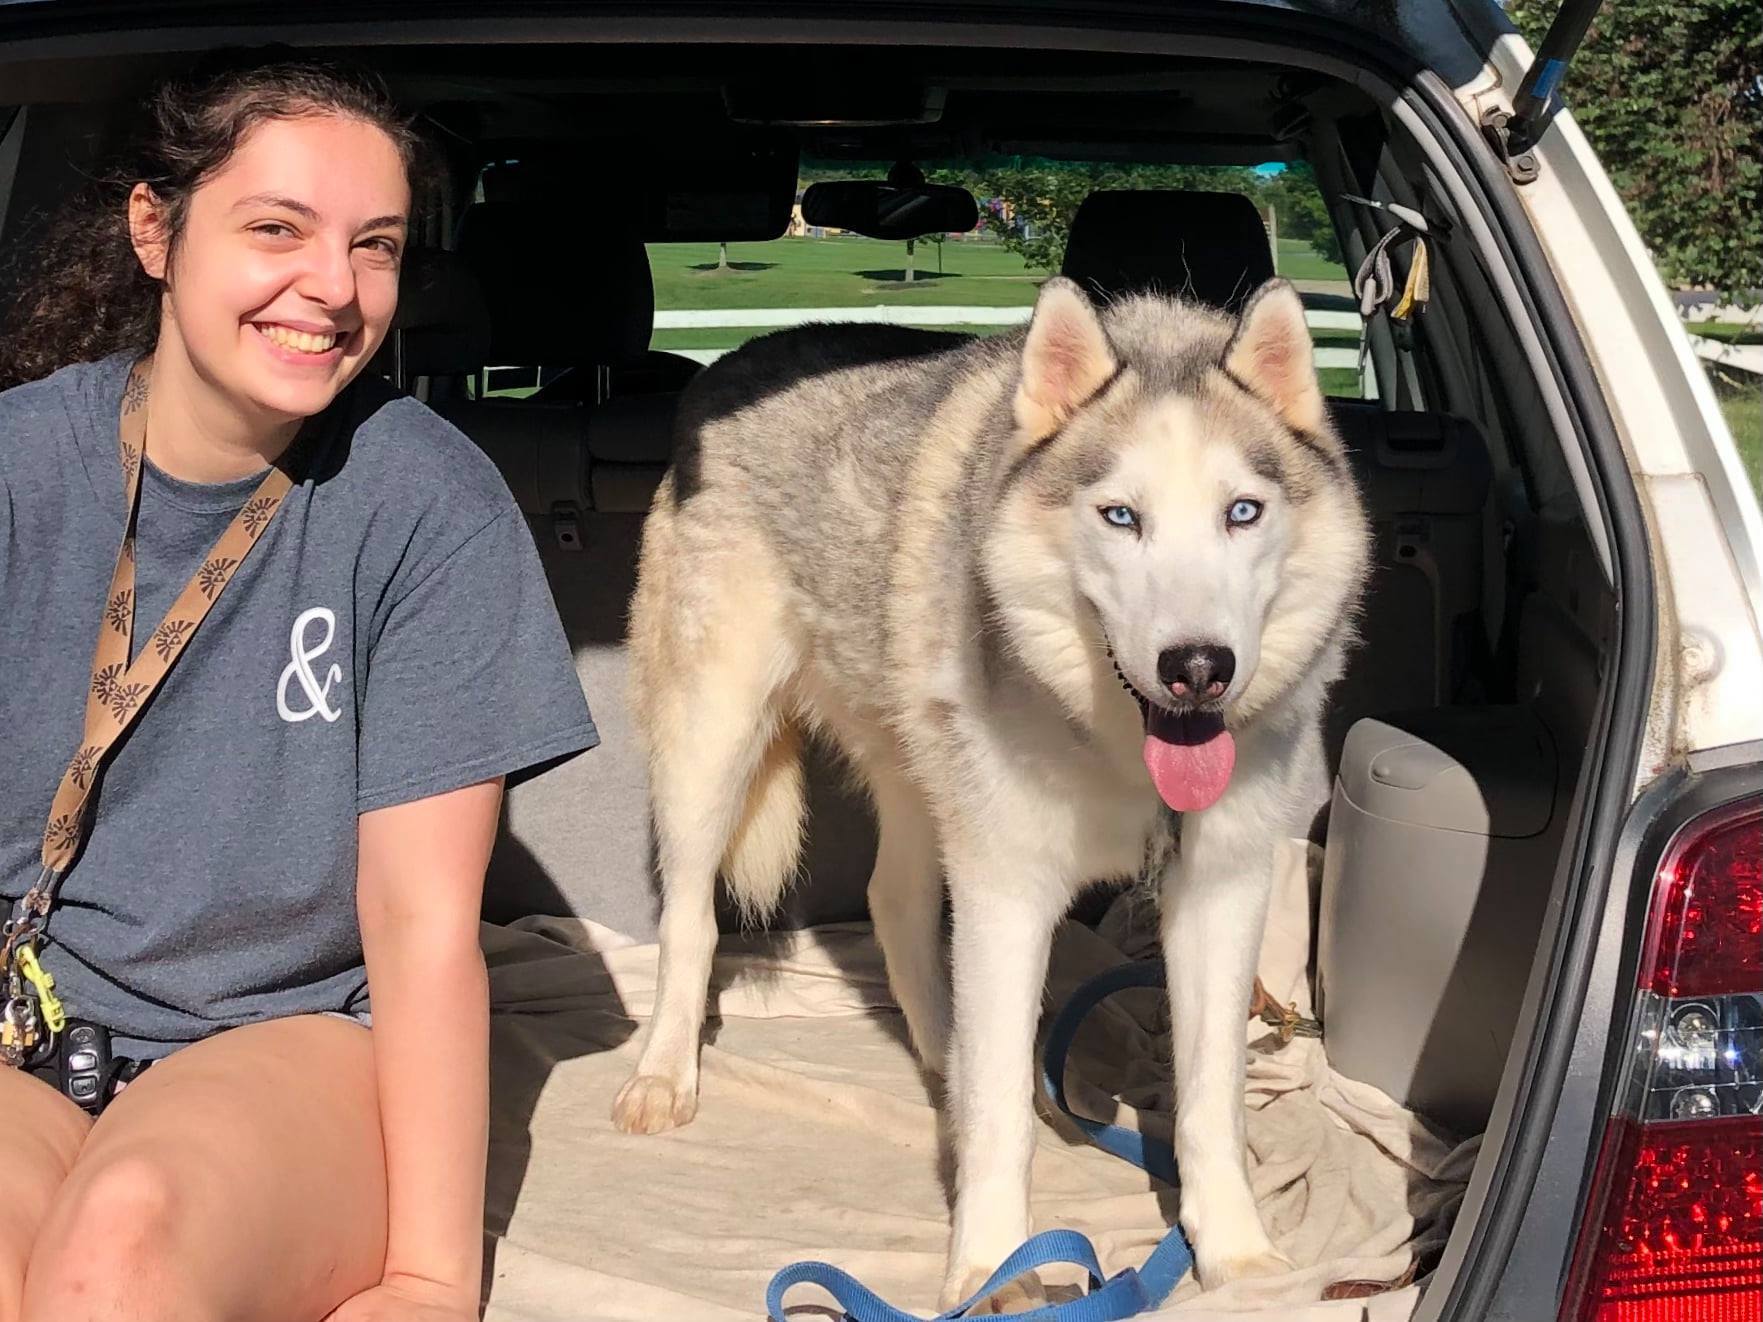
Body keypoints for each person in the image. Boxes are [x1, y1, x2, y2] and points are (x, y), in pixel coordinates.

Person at [0, 53, 597, 1322]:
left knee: (120, 1252)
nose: (331, 288)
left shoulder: (425, 504)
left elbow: (423, 918)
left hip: (286, 1035)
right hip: (29, 1026)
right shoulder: (20, 465)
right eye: (277, 227)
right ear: (155, 230)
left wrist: (434, 1281)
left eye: (374, 246)